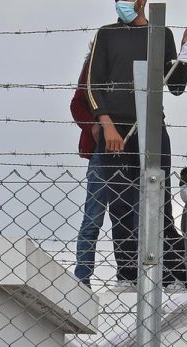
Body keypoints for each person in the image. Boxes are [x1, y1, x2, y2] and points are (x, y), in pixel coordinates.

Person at [87, 0, 187, 287]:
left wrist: (185, 53)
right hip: (115, 132)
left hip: (153, 126)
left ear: (142, 1)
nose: (121, 3)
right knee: (121, 205)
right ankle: (127, 275)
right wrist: (106, 124)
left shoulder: (161, 33)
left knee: (160, 202)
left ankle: (168, 276)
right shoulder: (106, 34)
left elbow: (176, 86)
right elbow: (93, 84)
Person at [72, 46, 108, 287]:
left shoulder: (136, 58)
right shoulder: (93, 64)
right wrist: (92, 126)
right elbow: (77, 103)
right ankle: (82, 278)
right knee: (93, 217)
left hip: (133, 148)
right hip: (101, 150)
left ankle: (129, 276)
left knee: (129, 217)